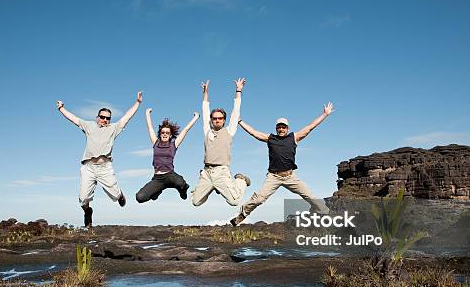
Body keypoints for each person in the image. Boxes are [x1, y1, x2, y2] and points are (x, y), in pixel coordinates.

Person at [230, 103, 334, 226]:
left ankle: (325, 214)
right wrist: (240, 121)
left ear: (287, 128)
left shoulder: (294, 137)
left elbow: (310, 127)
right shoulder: (270, 138)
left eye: (283, 127)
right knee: (259, 198)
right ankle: (241, 216)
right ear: (276, 128)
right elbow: (254, 132)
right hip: (273, 177)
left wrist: (325, 114)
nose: (281, 129)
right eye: (279, 127)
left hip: (290, 176)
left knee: (310, 196)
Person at [56, 91, 142, 227]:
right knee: (83, 198)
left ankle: (120, 195)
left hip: (104, 168)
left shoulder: (113, 128)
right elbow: (73, 118)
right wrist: (61, 108)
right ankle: (88, 212)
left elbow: (127, 117)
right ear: (97, 117)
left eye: (108, 118)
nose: (105, 120)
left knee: (114, 194)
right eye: (102, 117)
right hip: (88, 167)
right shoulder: (88, 126)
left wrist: (137, 103)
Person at [191, 79, 251, 207]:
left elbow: (236, 110)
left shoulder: (229, 131)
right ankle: (212, 187)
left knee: (234, 201)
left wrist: (238, 90)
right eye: (215, 118)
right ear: (212, 120)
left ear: (224, 120)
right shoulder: (207, 130)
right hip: (207, 172)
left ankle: (241, 180)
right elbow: (205, 109)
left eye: (220, 118)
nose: (217, 120)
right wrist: (205, 92)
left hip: (221, 172)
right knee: (195, 202)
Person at [135, 109, 200, 203]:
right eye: (163, 132)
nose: (165, 134)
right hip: (158, 178)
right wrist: (147, 114)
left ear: (170, 135)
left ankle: (183, 190)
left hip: (170, 176)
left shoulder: (174, 144)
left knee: (181, 183)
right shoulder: (155, 142)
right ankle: (157, 191)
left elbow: (186, 130)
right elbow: (150, 128)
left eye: (167, 133)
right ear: (160, 134)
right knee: (140, 198)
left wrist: (196, 117)